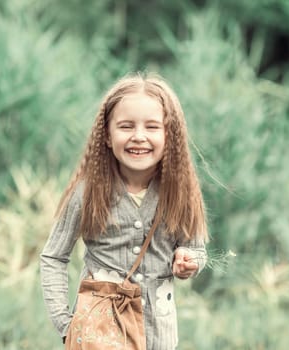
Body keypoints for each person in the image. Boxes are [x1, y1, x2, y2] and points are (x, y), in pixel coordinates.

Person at [40, 73, 208, 350]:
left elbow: (196, 250)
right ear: (107, 135)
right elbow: (54, 257)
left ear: (170, 135)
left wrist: (189, 262)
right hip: (100, 336)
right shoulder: (87, 193)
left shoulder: (181, 192)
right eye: (126, 126)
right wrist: (66, 324)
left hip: (160, 337)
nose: (139, 137)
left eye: (152, 127)